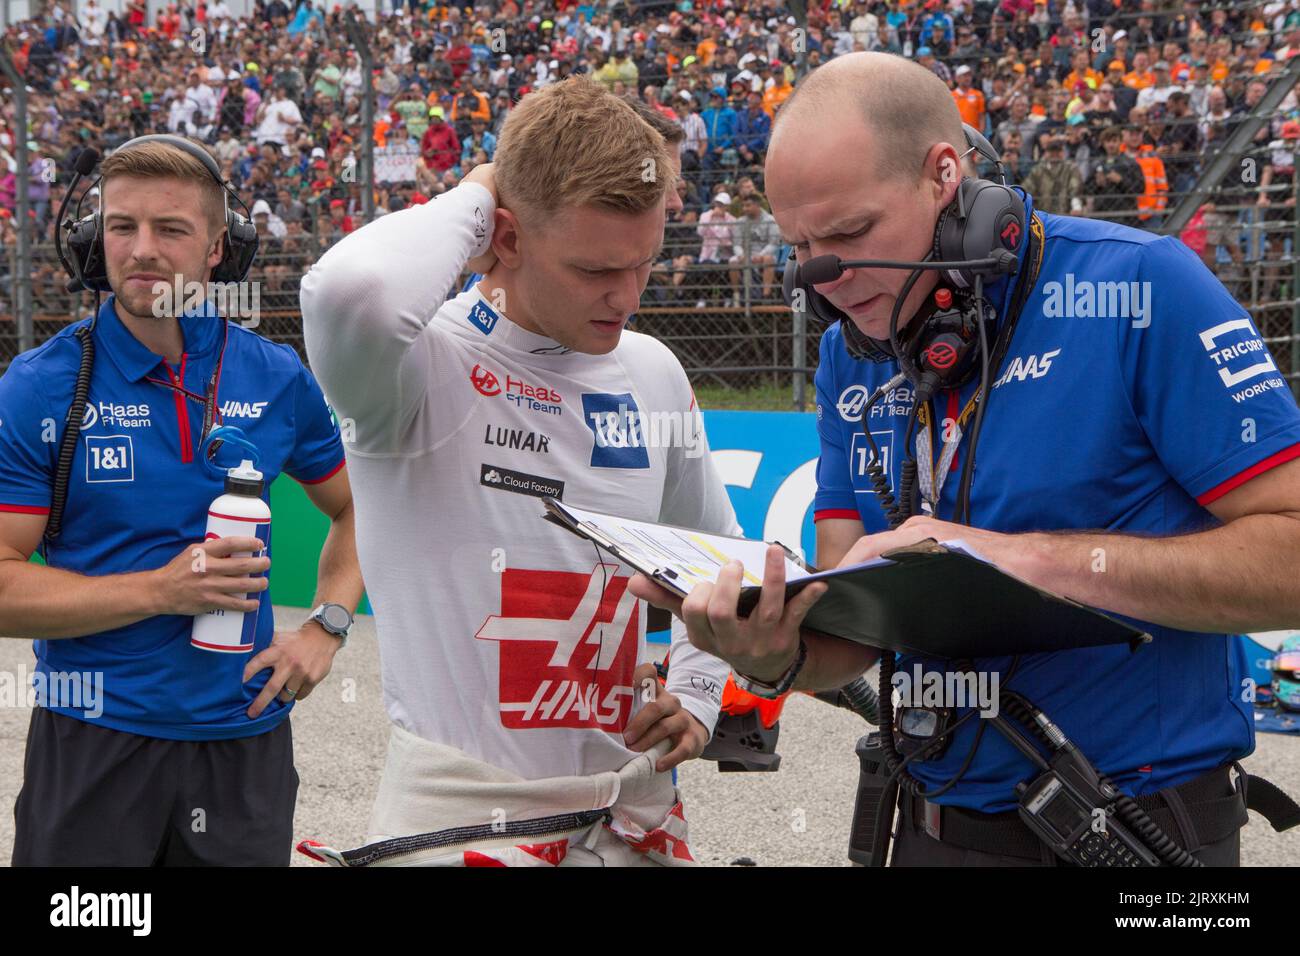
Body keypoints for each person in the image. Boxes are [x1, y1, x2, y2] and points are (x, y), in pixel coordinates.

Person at [632, 52, 1300, 867]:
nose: (828, 280)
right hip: (930, 825)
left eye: (848, 234)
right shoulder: (854, 349)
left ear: (944, 176)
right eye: (802, 245)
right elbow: (856, 620)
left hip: (1137, 829)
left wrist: (1015, 558)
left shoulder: (1142, 288)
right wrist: (776, 657)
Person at [299, 78, 737, 867]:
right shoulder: (419, 367)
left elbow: (717, 555)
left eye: (644, 261)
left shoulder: (652, 372)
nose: (629, 296)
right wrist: (479, 190)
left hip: (627, 821)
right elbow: (352, 289)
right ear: (502, 236)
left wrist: (700, 695)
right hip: (455, 826)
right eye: (596, 269)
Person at [0, 135, 364, 865]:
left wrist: (326, 626)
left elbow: (362, 508)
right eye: (121, 226)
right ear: (90, 240)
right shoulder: (38, 385)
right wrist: (163, 590)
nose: (141, 249)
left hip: (245, 747)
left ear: (217, 250)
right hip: (92, 743)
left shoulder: (275, 376)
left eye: (170, 229)